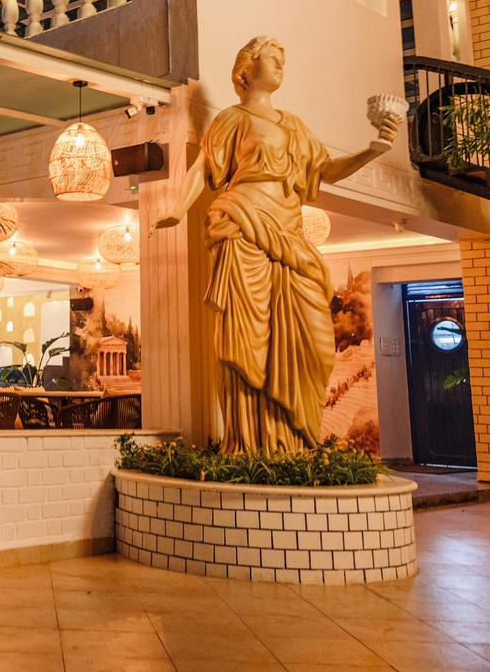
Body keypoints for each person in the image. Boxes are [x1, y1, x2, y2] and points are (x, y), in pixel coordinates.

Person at [156, 36, 399, 452]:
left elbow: (325, 171)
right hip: (244, 226)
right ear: (247, 69)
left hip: (288, 232)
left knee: (316, 340)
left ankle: (295, 441)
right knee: (245, 335)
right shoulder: (232, 119)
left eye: (283, 59)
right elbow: (204, 165)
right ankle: (254, 443)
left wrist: (371, 150)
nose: (281, 65)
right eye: (272, 58)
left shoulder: (295, 125)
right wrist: (178, 209)